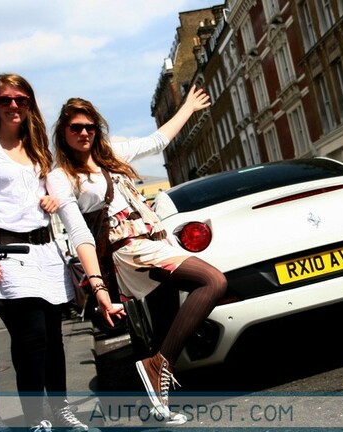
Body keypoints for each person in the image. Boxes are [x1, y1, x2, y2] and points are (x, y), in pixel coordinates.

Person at [47, 84, 226, 423]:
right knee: (213, 282)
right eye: (76, 128)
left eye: (90, 126)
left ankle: (159, 405)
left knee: (163, 325)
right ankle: (159, 364)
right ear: (63, 132)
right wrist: (98, 287)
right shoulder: (61, 177)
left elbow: (157, 141)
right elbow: (79, 232)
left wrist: (187, 107)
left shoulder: (112, 154)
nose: (84, 133)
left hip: (151, 238)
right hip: (128, 248)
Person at [0, 73, 103, 432]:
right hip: (7, 252)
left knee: (53, 337)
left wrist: (54, 197)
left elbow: (64, 203)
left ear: (30, 103)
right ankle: (37, 419)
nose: (13, 106)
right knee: (31, 334)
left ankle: (61, 410)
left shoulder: (39, 152)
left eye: (20, 99)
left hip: (46, 252)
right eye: (5, 100)